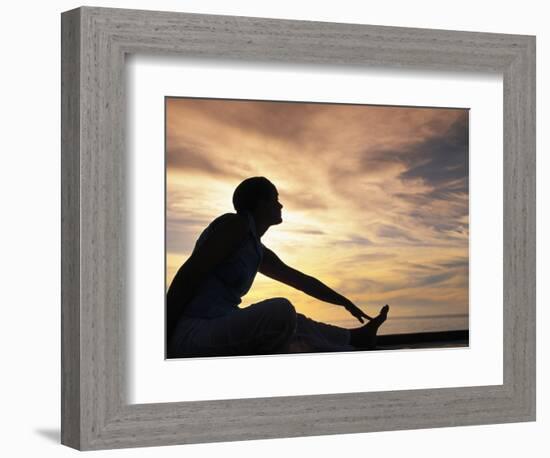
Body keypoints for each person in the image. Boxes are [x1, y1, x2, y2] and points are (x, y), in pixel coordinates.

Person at [166, 177, 390, 358]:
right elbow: (189, 275)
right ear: (260, 203)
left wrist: (344, 302)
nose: (280, 204)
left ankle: (355, 338)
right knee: (281, 312)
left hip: (218, 324)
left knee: (296, 321)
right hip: (194, 332)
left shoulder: (256, 248)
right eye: (275, 199)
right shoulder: (234, 225)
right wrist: (165, 338)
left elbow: (301, 281)